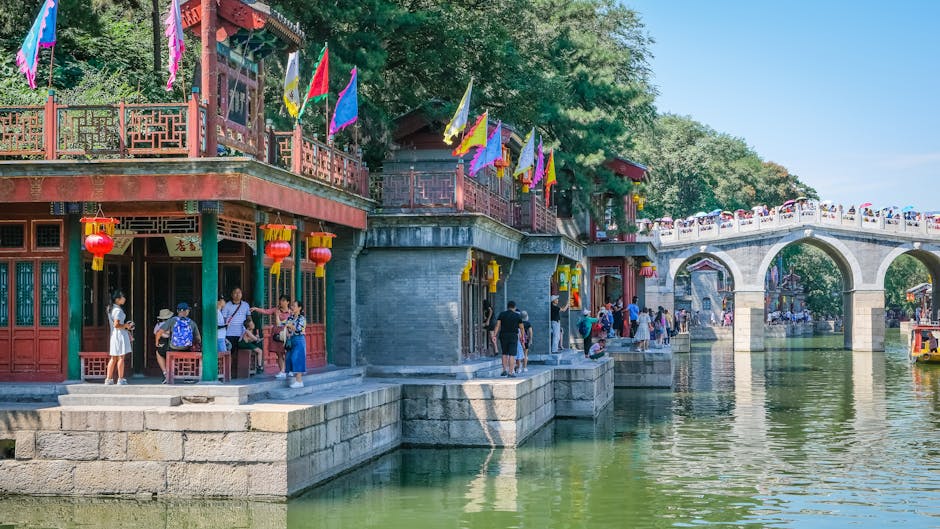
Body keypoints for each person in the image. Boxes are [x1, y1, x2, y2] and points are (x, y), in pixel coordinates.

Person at [252, 295, 291, 378]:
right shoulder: (276, 310)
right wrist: (256, 309)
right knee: (279, 353)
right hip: (276, 335)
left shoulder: (290, 312)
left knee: (288, 353)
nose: (281, 302)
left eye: (284, 300)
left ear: (288, 302)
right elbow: (266, 311)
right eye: (281, 300)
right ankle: (282, 371)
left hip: (286, 334)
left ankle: (289, 370)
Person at [105, 290, 133, 385]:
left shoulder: (111, 309)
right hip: (120, 335)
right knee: (121, 357)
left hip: (114, 335)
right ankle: (120, 379)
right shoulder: (118, 310)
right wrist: (126, 326)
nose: (124, 299)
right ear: (117, 300)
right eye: (123, 297)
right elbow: (117, 324)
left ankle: (108, 379)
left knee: (113, 358)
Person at [221, 287, 251, 367]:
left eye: (239, 293)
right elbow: (223, 319)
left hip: (242, 333)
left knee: (240, 352)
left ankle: (239, 369)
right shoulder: (227, 305)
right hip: (229, 333)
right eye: (235, 293)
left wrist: (250, 325)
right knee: (230, 351)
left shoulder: (246, 305)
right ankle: (229, 369)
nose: (237, 295)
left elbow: (249, 318)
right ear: (232, 295)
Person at [493, 301, 524, 377]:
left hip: (503, 335)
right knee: (512, 354)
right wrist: (522, 336)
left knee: (504, 353)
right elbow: (522, 327)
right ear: (514, 307)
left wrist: (494, 335)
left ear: (507, 307)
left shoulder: (502, 314)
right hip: (513, 335)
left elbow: (497, 325)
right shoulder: (517, 316)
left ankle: (504, 370)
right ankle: (510, 372)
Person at [284, 301, 307, 388]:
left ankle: (299, 381)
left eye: (294, 306)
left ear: (299, 308)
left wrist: (290, 326)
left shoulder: (302, 318)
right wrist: (288, 329)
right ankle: (295, 378)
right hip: (291, 339)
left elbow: (298, 329)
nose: (292, 307)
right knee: (289, 357)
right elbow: (286, 327)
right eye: (292, 306)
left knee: (297, 358)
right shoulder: (290, 317)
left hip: (299, 340)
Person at [153, 308, 173, 383]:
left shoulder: (158, 325)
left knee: (158, 353)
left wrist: (156, 343)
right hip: (171, 346)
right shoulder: (171, 324)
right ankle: (171, 374)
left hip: (162, 345)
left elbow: (157, 334)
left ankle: (165, 373)